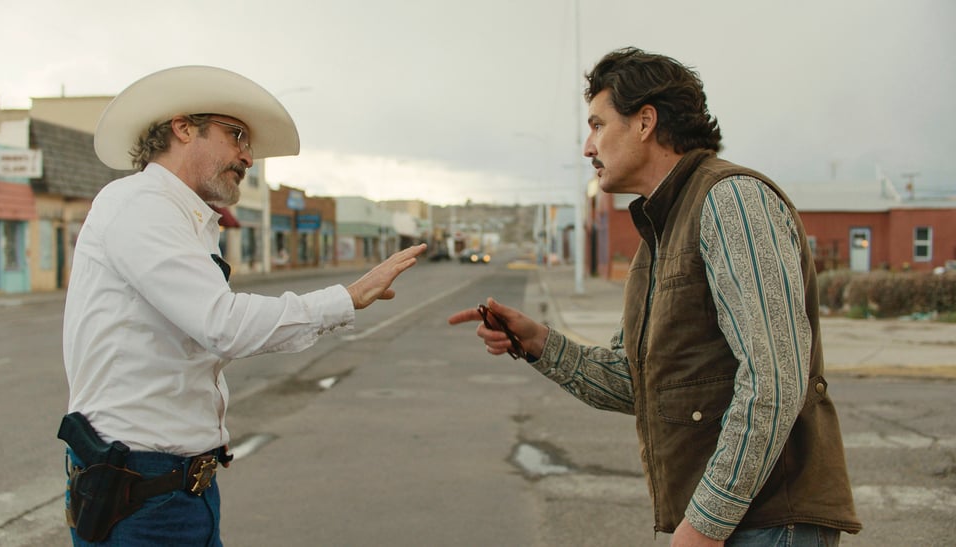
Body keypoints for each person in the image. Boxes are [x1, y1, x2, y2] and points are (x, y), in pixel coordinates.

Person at [449, 47, 861, 546]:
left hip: (770, 524)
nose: (587, 146)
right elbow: (634, 384)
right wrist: (537, 342)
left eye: (598, 125)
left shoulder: (730, 200)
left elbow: (774, 379)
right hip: (735, 524)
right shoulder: (659, 235)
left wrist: (705, 525)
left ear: (645, 121)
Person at [60, 65, 425, 545]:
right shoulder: (141, 205)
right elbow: (222, 324)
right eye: (236, 136)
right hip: (141, 495)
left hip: (173, 489)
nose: (248, 156)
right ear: (183, 127)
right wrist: (346, 298)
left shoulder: (183, 218)